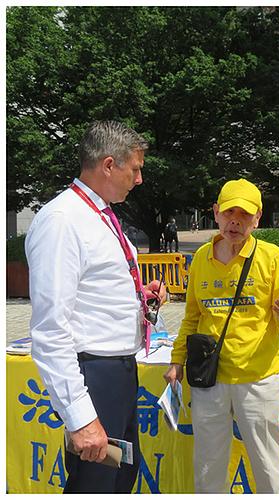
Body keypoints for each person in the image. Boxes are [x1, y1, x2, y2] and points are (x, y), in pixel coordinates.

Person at [26, 121, 166, 493]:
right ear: (108, 165)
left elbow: (92, 289)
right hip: (93, 375)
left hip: (118, 373)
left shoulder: (99, 214)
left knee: (119, 477)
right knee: (95, 484)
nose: (139, 179)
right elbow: (50, 329)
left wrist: (139, 297)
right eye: (134, 169)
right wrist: (81, 417)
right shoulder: (62, 221)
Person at [164, 179, 279, 493]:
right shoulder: (200, 259)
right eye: (228, 212)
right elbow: (192, 317)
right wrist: (177, 361)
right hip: (210, 380)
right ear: (215, 212)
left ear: (257, 218)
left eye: (244, 214)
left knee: (268, 465)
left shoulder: (272, 257)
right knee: (208, 466)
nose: (235, 221)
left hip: (259, 379)